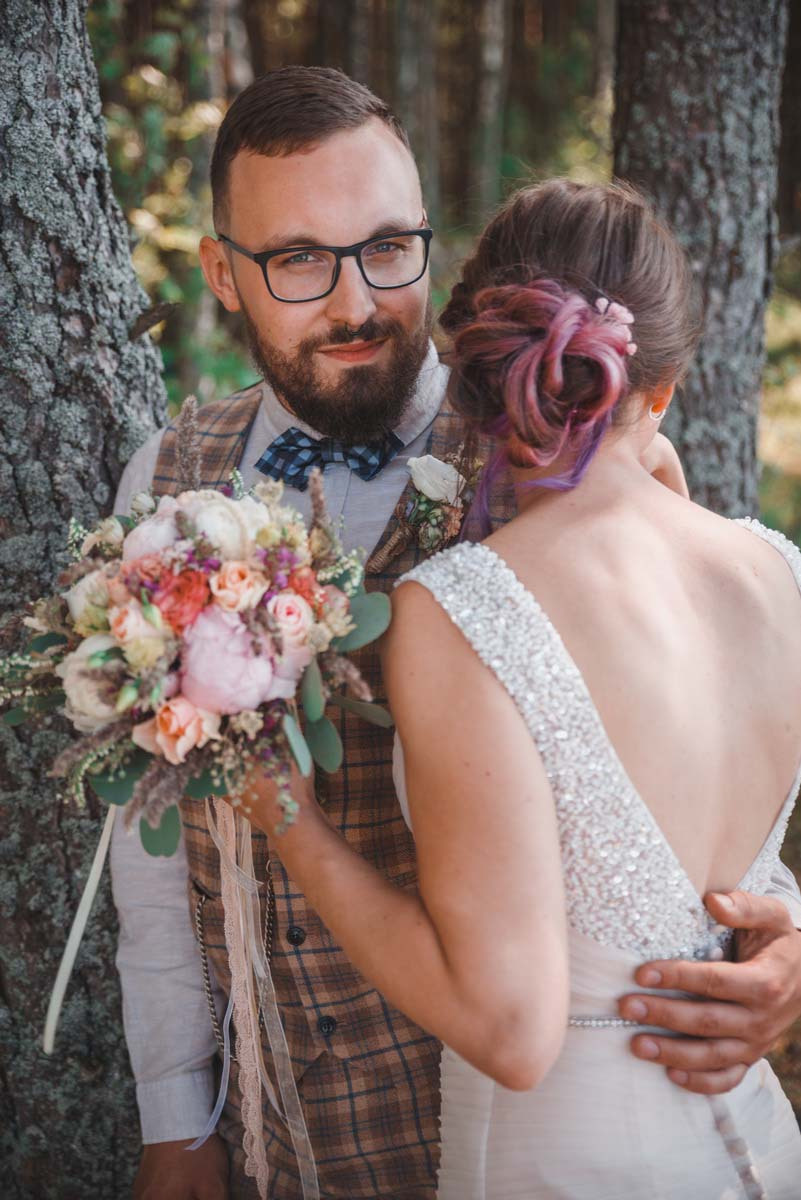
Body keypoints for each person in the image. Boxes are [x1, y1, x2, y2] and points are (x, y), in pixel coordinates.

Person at [110, 69, 801, 1200]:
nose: (357, 302)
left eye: (389, 247)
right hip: (283, 1131)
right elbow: (152, 851)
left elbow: (689, 763)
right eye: (299, 259)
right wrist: (175, 1118)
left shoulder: (575, 443)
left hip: (499, 1119)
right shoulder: (166, 487)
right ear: (222, 273)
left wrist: (785, 945)